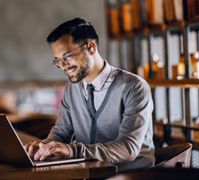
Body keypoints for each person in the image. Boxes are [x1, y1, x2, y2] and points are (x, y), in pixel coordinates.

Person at [27, 17, 155, 171]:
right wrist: (42, 149)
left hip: (132, 174)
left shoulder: (134, 87)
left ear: (91, 47)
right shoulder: (71, 89)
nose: (62, 66)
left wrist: (73, 151)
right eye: (57, 60)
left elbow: (128, 148)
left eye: (67, 56)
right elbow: (61, 134)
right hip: (91, 172)